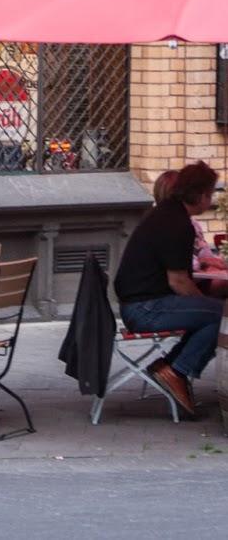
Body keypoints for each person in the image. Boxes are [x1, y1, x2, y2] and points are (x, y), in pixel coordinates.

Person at [114, 160, 225, 417]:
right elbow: (178, 281)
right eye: (211, 194)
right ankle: (178, 370)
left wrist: (202, 306)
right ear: (200, 195)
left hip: (141, 304)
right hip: (146, 308)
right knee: (221, 315)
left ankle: (171, 367)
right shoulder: (177, 224)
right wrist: (203, 304)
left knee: (213, 312)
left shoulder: (167, 214)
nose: (211, 200)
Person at [152, 169, 227, 274]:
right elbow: (184, 267)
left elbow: (205, 253)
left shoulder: (192, 223)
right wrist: (205, 263)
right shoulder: (163, 224)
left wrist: (215, 263)